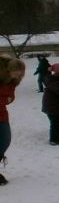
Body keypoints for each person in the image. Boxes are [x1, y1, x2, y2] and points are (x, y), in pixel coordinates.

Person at [0, 55, 26, 185]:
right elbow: (7, 99)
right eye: (17, 72)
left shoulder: (13, 81)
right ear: (9, 70)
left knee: (5, 140)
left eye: (21, 73)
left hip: (1, 114)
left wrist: (5, 100)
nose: (19, 75)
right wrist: (5, 100)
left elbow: (11, 98)